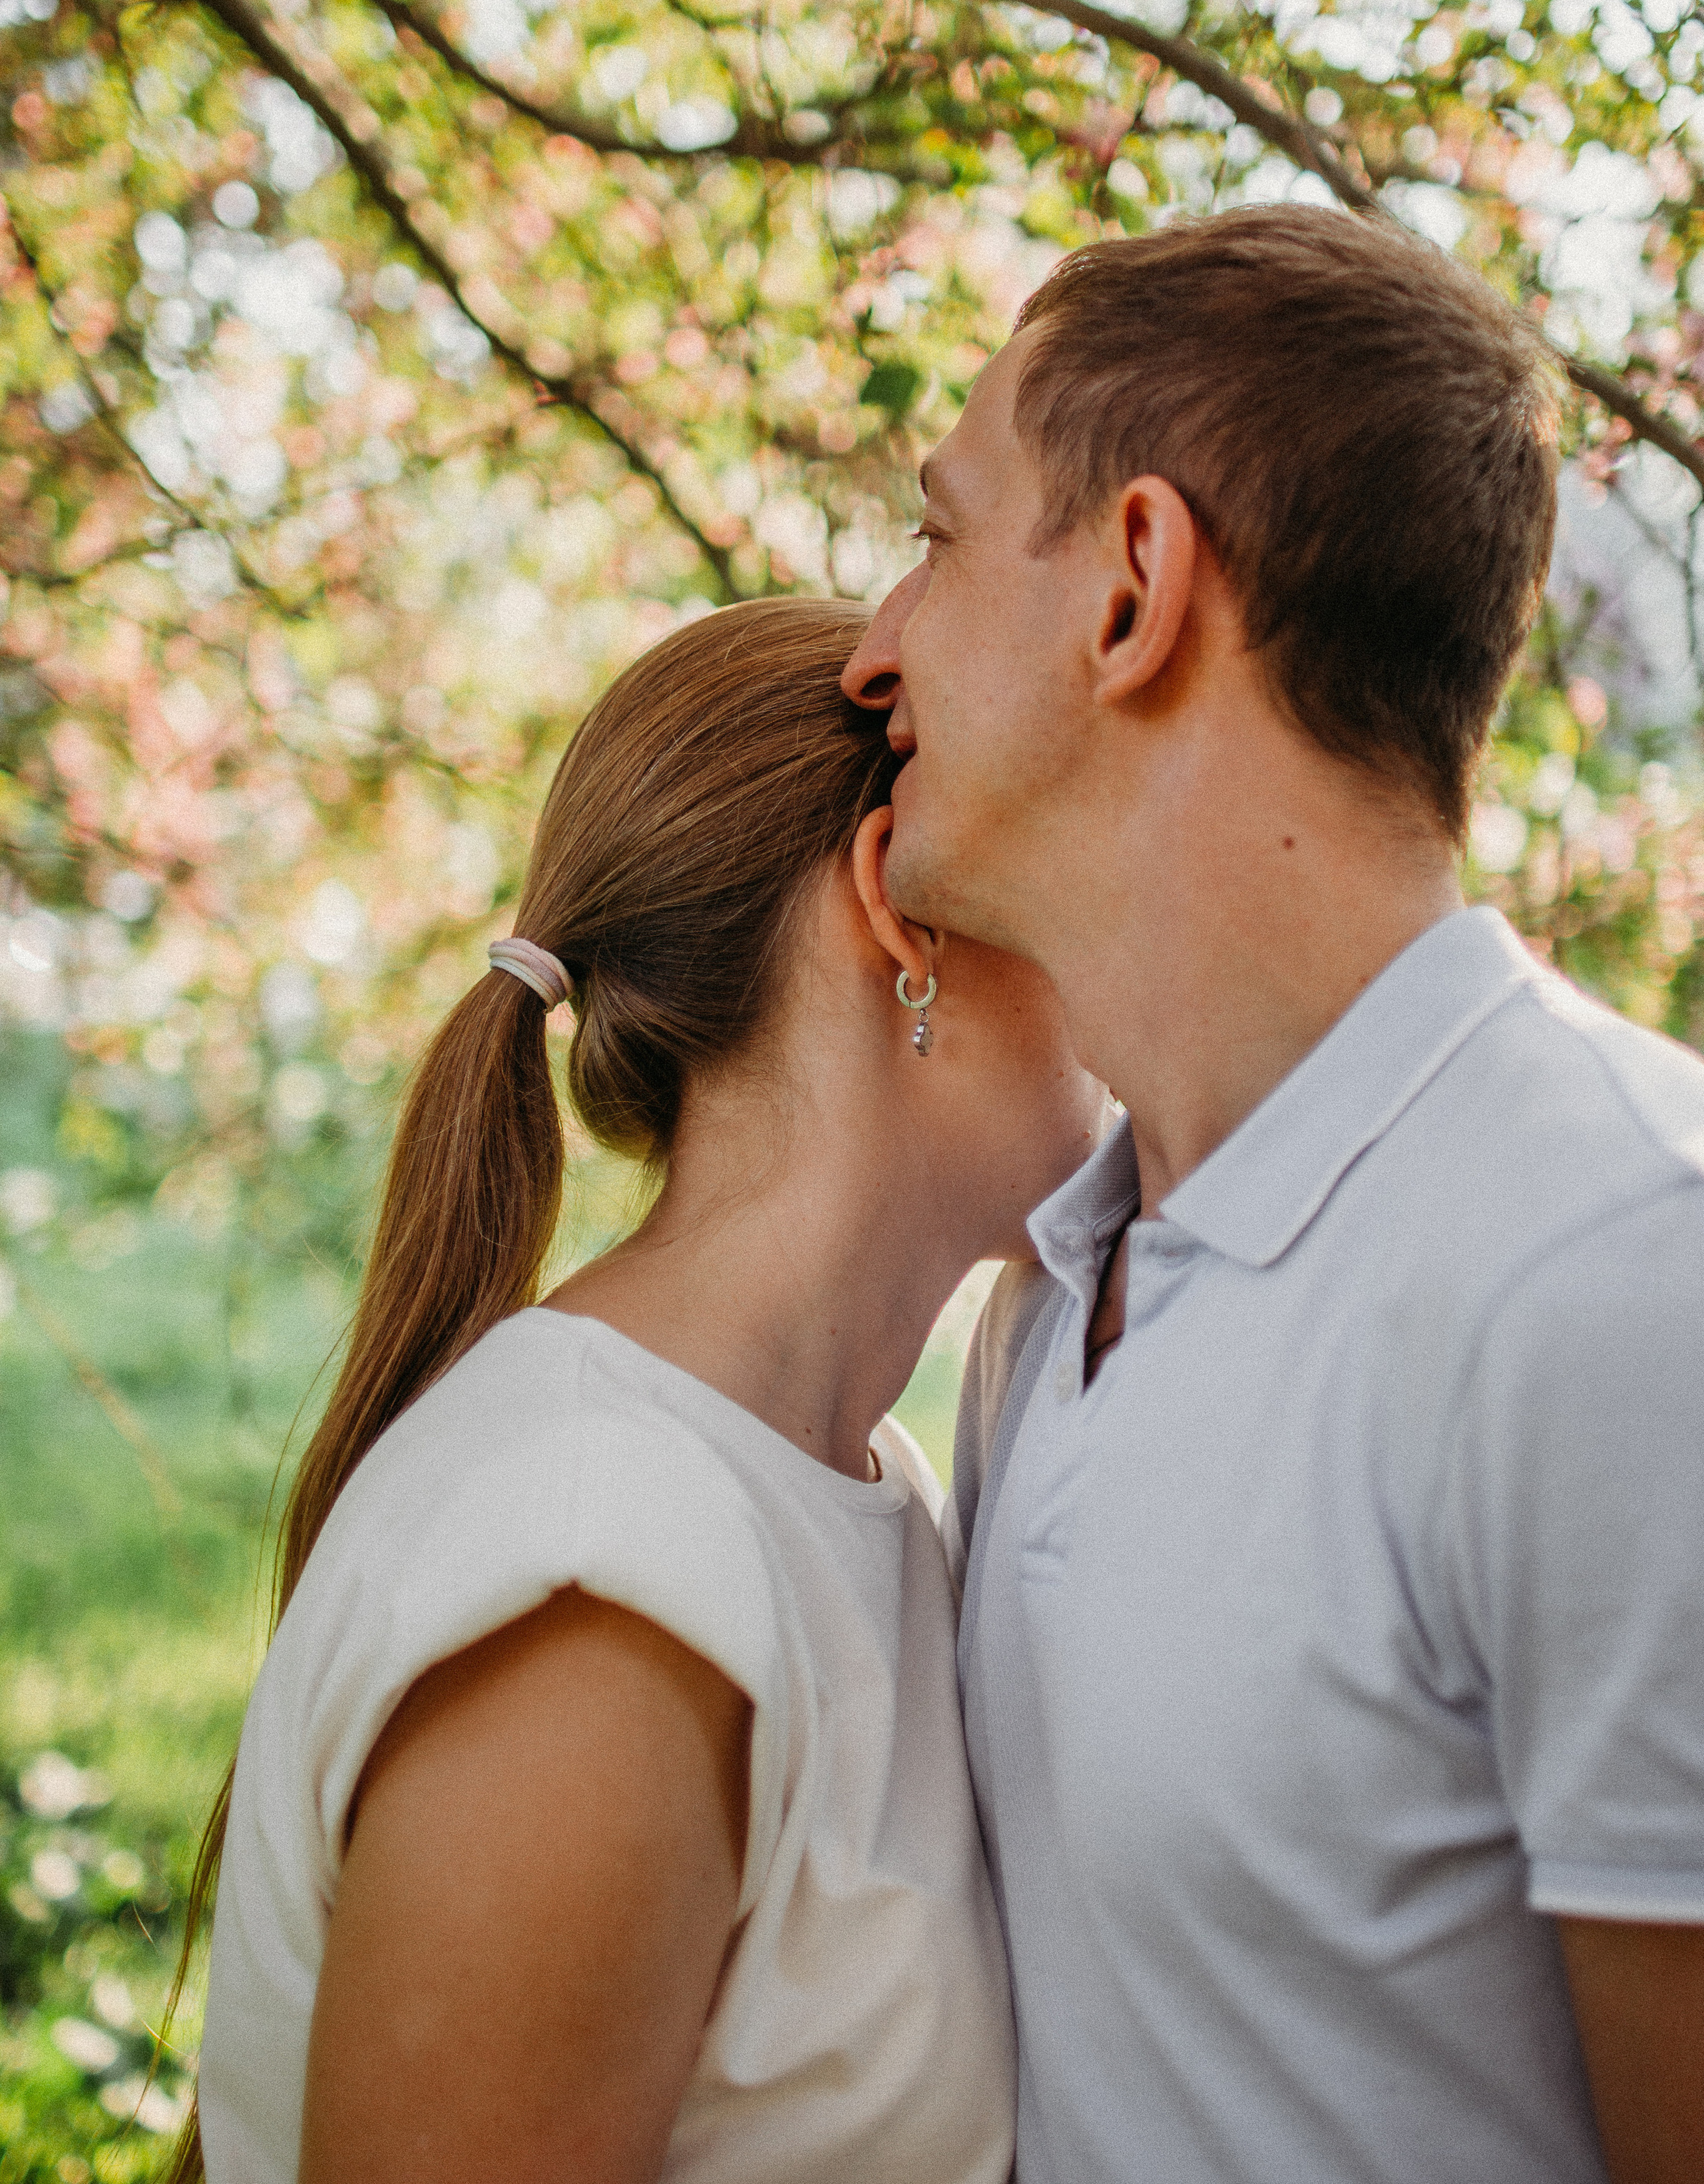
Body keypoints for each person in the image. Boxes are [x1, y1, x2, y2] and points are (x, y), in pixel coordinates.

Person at [841, 205, 1704, 2184]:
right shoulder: (1045, 1298)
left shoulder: (1624, 1278)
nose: (875, 647)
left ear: (1133, 588)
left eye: (938, 536)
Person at [182, 598, 1106, 2184]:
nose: (1126, 949)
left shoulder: (856, 1479)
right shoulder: (603, 1575)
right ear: (902, 910)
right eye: (1079, 870)